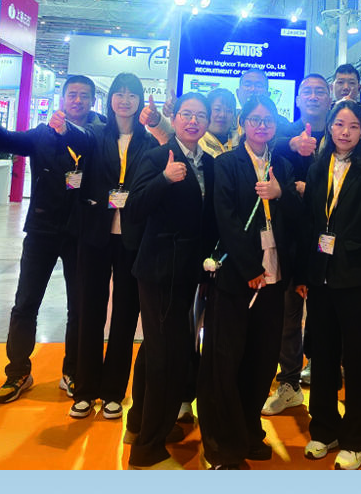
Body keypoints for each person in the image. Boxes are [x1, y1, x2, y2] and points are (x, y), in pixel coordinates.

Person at [0, 75, 100, 404]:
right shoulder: (43, 133)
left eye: (84, 96)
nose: (78, 100)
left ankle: (72, 371)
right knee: (26, 303)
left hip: (81, 232)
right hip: (42, 229)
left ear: (92, 101)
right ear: (63, 99)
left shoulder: (100, 134)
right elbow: (5, 140)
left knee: (79, 307)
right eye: (72, 95)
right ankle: (17, 372)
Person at [197, 95, 300, 469]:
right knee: (225, 361)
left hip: (274, 276)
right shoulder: (226, 164)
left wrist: (281, 193)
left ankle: (247, 430)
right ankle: (222, 445)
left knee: (262, 358)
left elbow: (297, 219)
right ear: (242, 123)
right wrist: (248, 268)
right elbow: (224, 218)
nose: (262, 126)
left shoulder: (282, 166)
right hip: (238, 277)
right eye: (255, 120)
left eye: (268, 120)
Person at [295, 99, 361, 470]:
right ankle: (324, 429)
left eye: (353, 126)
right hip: (321, 276)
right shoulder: (318, 167)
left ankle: (356, 439)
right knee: (322, 356)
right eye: (339, 124)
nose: (345, 132)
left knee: (357, 360)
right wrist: (304, 274)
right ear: (330, 128)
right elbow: (309, 224)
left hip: (358, 278)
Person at [124, 93, 217, 469]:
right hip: (160, 270)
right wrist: (163, 180)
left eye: (200, 115)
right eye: (186, 114)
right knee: (166, 357)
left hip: (188, 271)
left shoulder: (208, 163)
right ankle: (147, 448)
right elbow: (133, 208)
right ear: (174, 118)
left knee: (155, 350)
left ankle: (138, 424)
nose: (193, 121)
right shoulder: (157, 157)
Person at [63, 72, 159, 420]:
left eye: (132, 94)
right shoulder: (96, 135)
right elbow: (74, 146)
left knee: (125, 314)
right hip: (95, 235)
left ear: (140, 100)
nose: (125, 100)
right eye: (119, 93)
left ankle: (114, 391)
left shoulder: (149, 142)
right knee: (89, 310)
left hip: (133, 237)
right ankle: (84, 390)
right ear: (111, 99)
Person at [262, 73, 332, 415]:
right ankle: (288, 383)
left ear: (329, 99)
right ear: (298, 99)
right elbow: (268, 156)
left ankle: (323, 378)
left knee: (325, 315)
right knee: (288, 316)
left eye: (320, 91)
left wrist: (312, 190)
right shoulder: (284, 134)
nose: (314, 97)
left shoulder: (339, 133)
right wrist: (292, 145)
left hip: (328, 240)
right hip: (290, 238)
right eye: (308, 92)